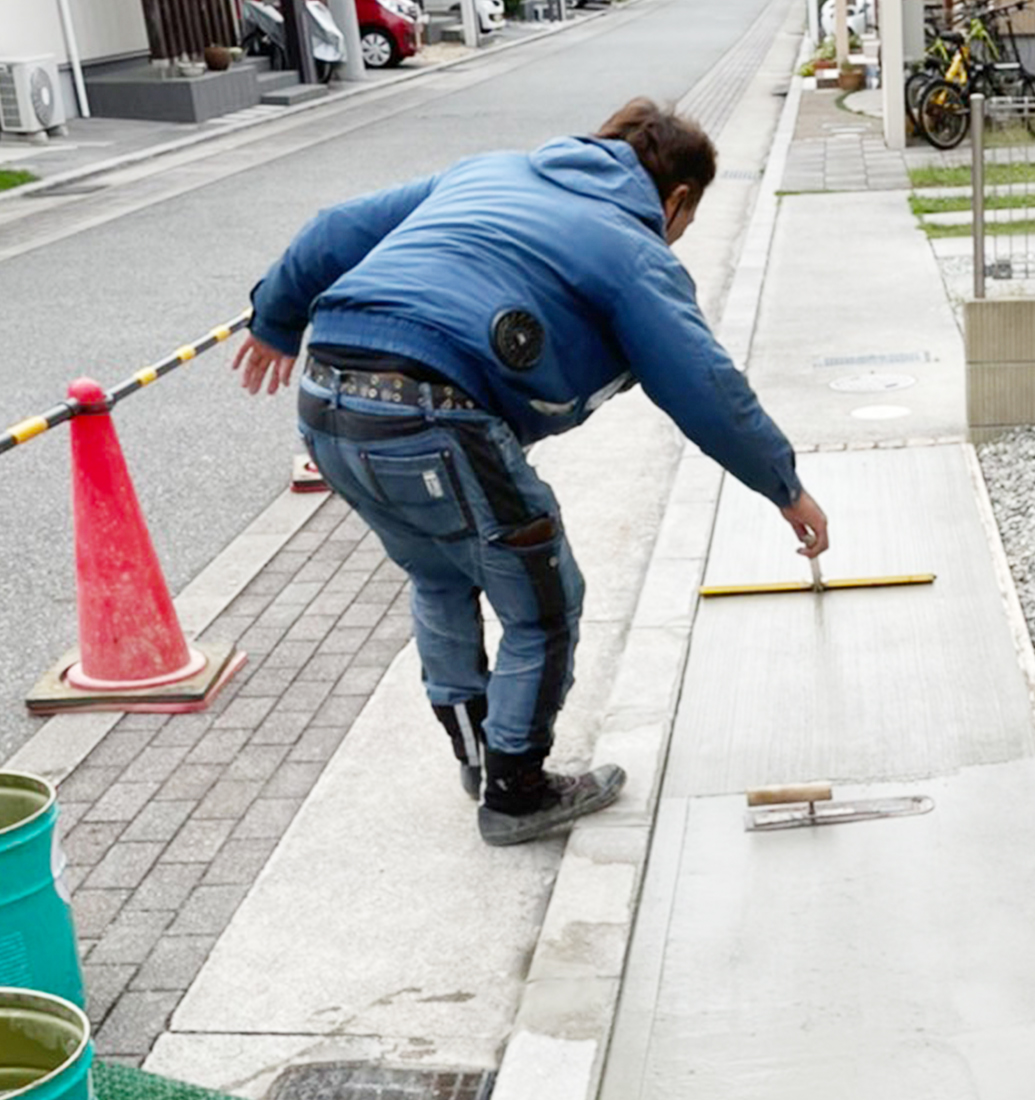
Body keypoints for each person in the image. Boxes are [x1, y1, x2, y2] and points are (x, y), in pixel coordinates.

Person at [232, 97, 828, 847]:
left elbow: (333, 231)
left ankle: (480, 758)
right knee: (542, 600)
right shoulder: (630, 248)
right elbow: (703, 383)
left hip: (326, 399)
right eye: (686, 219)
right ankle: (516, 790)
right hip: (434, 408)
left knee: (442, 574)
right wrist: (785, 486)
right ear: (675, 198)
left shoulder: (489, 173)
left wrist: (275, 321)